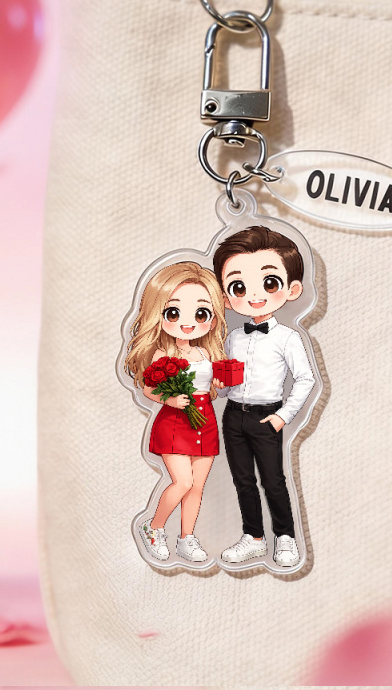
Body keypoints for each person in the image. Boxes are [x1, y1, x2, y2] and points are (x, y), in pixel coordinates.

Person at [213, 226, 315, 568]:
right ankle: (253, 537)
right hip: (233, 415)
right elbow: (227, 381)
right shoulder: (233, 337)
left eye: (269, 283)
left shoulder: (287, 338)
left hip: (266, 415)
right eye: (239, 287)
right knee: (243, 480)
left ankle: (285, 538)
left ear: (292, 289)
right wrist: (217, 384)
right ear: (226, 297)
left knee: (273, 480)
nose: (254, 295)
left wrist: (283, 415)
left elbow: (306, 378)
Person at [125, 261, 227, 563]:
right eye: (173, 312)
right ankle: (153, 527)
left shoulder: (205, 352)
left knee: (197, 487)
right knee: (182, 482)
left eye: (201, 313)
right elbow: (149, 388)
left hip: (204, 419)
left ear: (212, 318)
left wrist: (218, 384)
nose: (188, 323)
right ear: (159, 314)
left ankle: (187, 537)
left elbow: (210, 385)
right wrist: (169, 400)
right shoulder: (162, 354)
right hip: (175, 422)